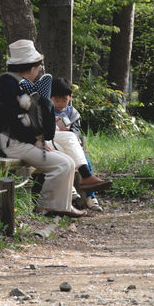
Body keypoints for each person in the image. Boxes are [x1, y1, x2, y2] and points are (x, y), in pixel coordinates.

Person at [0, 39, 85, 218]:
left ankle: (61, 205)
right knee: (62, 164)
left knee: (68, 162)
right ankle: (45, 206)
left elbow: (44, 128)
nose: (39, 70)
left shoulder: (21, 85)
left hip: (21, 139)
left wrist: (45, 102)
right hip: (11, 142)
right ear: (31, 67)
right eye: (38, 66)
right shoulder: (8, 86)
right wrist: (34, 141)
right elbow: (12, 121)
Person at [50, 77, 112, 212]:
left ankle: (91, 197)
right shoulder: (46, 110)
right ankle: (72, 190)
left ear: (70, 97)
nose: (60, 104)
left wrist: (69, 129)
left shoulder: (72, 113)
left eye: (64, 100)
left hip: (70, 145)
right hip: (54, 145)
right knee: (68, 158)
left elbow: (76, 133)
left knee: (86, 162)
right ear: (50, 97)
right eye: (57, 100)